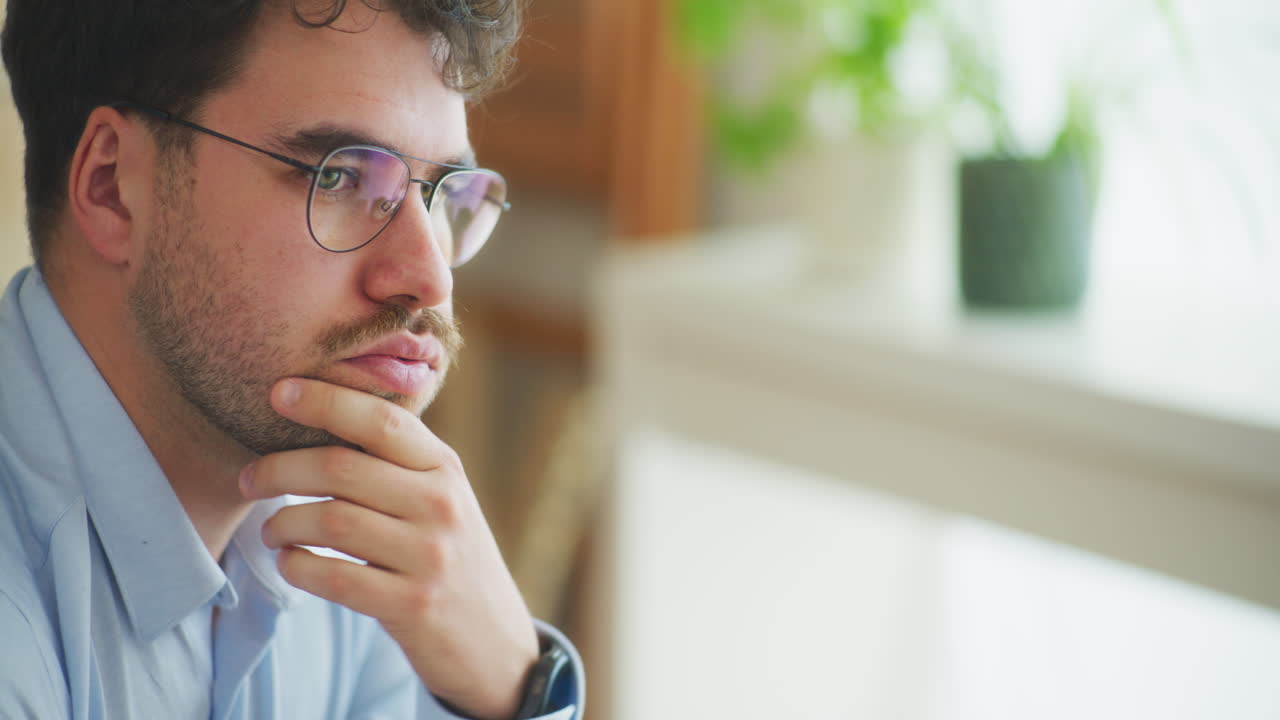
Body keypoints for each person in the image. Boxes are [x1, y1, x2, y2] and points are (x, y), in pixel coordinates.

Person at [0, 0, 583, 718]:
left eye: (443, 194)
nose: (430, 278)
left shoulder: (349, 539)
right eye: (338, 178)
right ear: (112, 186)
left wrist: (510, 686)